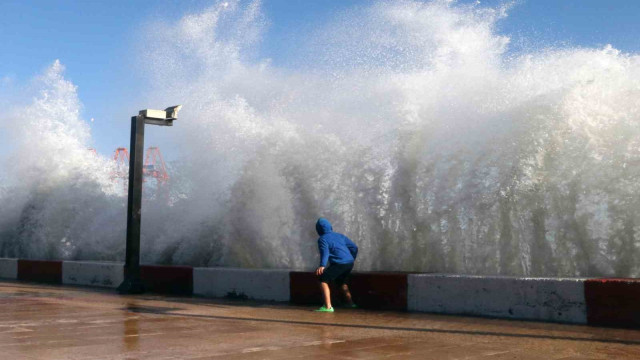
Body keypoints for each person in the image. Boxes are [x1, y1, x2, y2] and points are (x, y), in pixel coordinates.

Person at [314, 217, 358, 312]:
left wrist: (322, 265)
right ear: (330, 227)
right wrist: (352, 257)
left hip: (340, 263)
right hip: (349, 262)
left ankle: (328, 306)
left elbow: (325, 252)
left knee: (323, 279)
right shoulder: (339, 236)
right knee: (341, 281)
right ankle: (350, 303)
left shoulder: (322, 239)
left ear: (318, 229)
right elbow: (354, 247)